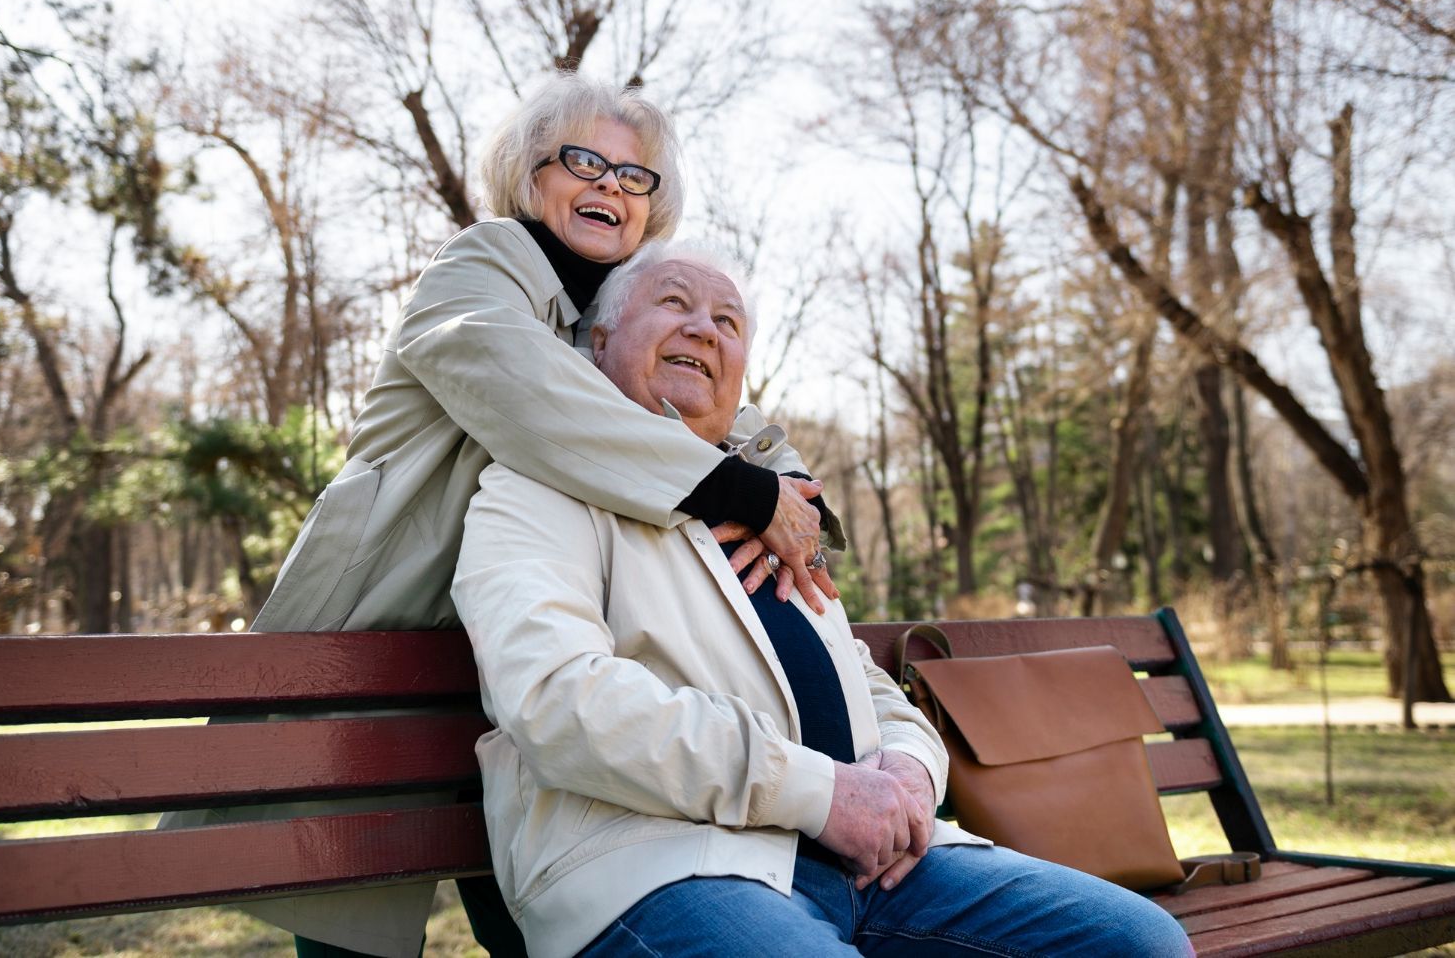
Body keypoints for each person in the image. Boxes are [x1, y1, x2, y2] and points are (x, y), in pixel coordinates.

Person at [161, 75, 839, 958]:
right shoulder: (481, 267)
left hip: (515, 668)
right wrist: (748, 496)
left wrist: (796, 492)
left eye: (636, 179)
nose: (609, 188)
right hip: (388, 653)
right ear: (531, 174)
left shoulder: (609, 317)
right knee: (354, 929)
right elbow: (530, 397)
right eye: (584, 162)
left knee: (540, 920)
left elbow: (736, 421)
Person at [452, 244, 1196, 958]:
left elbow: (864, 681)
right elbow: (559, 699)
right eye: (673, 303)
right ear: (601, 338)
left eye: (728, 321)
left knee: (1142, 943)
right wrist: (819, 794)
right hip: (664, 864)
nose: (702, 327)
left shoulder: (771, 506)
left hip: (879, 864)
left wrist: (909, 773)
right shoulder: (538, 489)